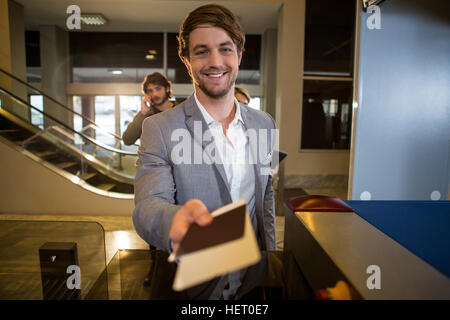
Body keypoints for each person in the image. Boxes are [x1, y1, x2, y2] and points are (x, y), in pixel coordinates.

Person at [133, 4, 277, 300]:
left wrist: (270, 259)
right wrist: (172, 220)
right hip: (193, 289)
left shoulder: (264, 123)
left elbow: (266, 197)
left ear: (239, 55)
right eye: (201, 51)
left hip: (252, 283)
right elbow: (147, 206)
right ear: (186, 60)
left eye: (225, 49)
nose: (215, 61)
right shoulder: (159, 127)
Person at [122, 72, 176, 146]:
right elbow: (127, 140)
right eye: (150, 91)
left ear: (167, 88)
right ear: (146, 94)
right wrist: (142, 113)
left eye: (158, 89)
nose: (155, 94)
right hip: (152, 157)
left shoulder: (181, 110)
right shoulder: (145, 115)